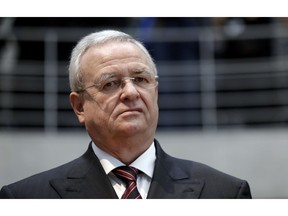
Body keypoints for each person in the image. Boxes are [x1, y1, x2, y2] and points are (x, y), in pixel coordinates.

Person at [0, 29, 252, 199]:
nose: (131, 92)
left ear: (156, 92)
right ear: (79, 107)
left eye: (141, 79)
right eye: (110, 83)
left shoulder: (226, 192)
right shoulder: (24, 198)